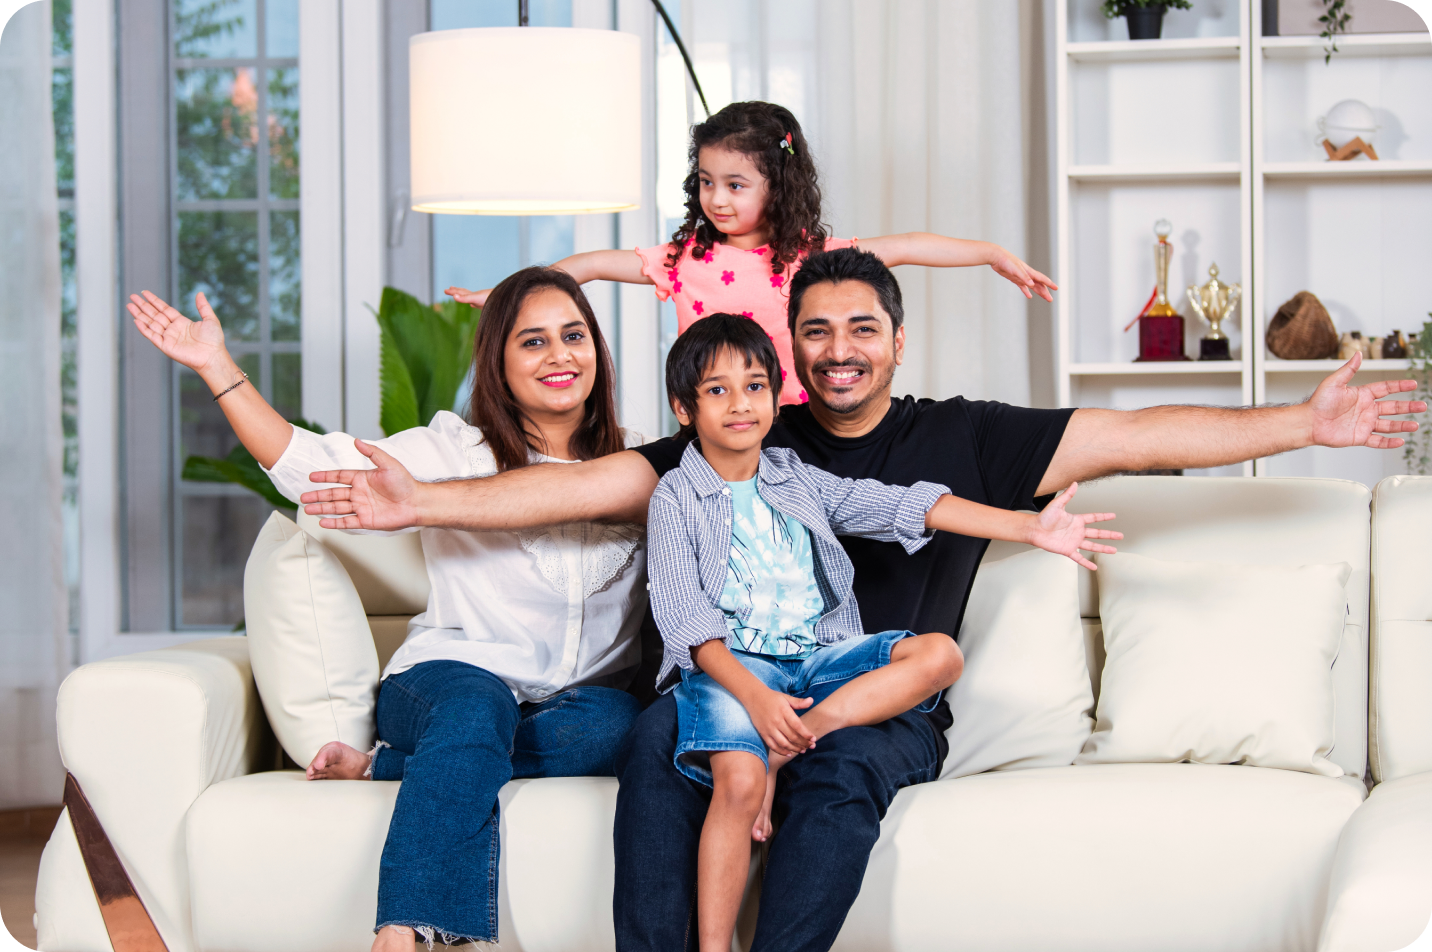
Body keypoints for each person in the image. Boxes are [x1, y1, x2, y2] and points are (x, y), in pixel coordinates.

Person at [296, 248, 1424, 952]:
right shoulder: (745, 428)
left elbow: (1132, 435)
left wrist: (1299, 425)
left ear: (895, 337)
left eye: (861, 329)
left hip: (872, 701)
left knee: (835, 780)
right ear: (788, 350)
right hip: (739, 681)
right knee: (653, 743)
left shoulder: (970, 434)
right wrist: (424, 502)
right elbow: (591, 486)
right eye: (816, 332)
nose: (838, 351)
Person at [126, 267, 650, 952]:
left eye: (573, 335)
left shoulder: (641, 462)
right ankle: (402, 932)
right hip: (445, 680)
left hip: (577, 703)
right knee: (476, 709)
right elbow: (303, 464)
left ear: (598, 351)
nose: (560, 356)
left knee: (628, 726)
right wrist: (217, 367)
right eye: (532, 342)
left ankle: (391, 767)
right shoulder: (451, 451)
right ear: (498, 361)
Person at [648, 314, 1119, 952]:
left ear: (777, 395)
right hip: (736, 671)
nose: (740, 404)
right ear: (683, 407)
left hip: (815, 663)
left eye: (756, 386)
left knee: (938, 654)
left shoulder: (792, 477)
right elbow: (686, 621)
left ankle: (790, 745)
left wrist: (1027, 527)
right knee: (736, 782)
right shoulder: (676, 494)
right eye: (716, 390)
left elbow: (898, 504)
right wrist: (756, 700)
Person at [445, 101, 1057, 405]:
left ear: (778, 186)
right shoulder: (685, 258)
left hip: (795, 425)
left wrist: (990, 253)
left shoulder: (811, 257)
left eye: (735, 185)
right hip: (714, 425)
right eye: (707, 182)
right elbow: (595, 265)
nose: (717, 199)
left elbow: (908, 247)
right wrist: (508, 292)